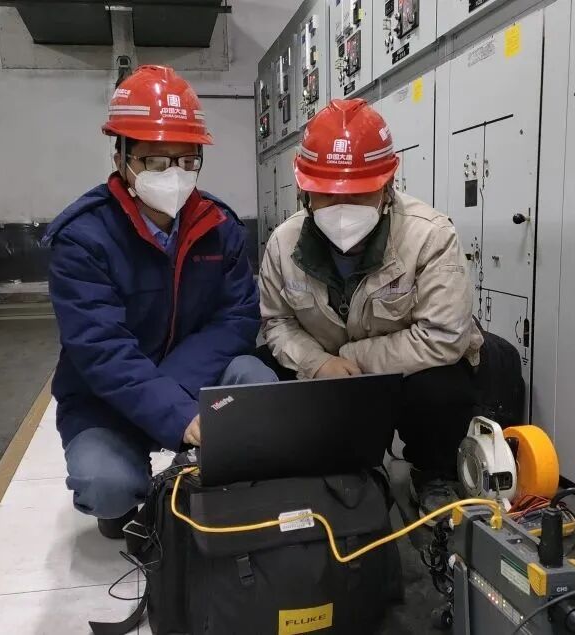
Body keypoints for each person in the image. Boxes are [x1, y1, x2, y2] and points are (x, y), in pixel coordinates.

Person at [44, 65, 277, 538]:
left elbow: (237, 318)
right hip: (105, 399)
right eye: (155, 160)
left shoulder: (219, 226)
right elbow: (100, 349)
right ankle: (129, 486)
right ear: (121, 157)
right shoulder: (83, 238)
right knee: (106, 485)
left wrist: (178, 399)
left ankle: (225, 487)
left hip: (195, 380)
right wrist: (175, 413)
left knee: (256, 379)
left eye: (187, 160)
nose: (173, 174)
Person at [258, 98, 484, 517]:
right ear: (305, 189)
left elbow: (443, 337)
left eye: (359, 194)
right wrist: (318, 364)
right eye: (328, 195)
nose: (343, 211)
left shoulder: (430, 236)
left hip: (404, 374)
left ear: (387, 184)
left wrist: (352, 358)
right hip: (324, 377)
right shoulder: (283, 244)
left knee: (443, 386)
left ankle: (432, 473)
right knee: (262, 370)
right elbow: (278, 323)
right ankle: (304, 470)